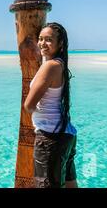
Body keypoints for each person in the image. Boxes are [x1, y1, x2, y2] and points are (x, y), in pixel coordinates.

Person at [24, 22, 78, 188]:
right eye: (40, 39)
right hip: (67, 135)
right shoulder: (60, 64)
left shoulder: (50, 66)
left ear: (60, 43)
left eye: (48, 39)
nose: (42, 43)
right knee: (70, 184)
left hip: (50, 137)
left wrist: (37, 114)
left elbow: (29, 105)